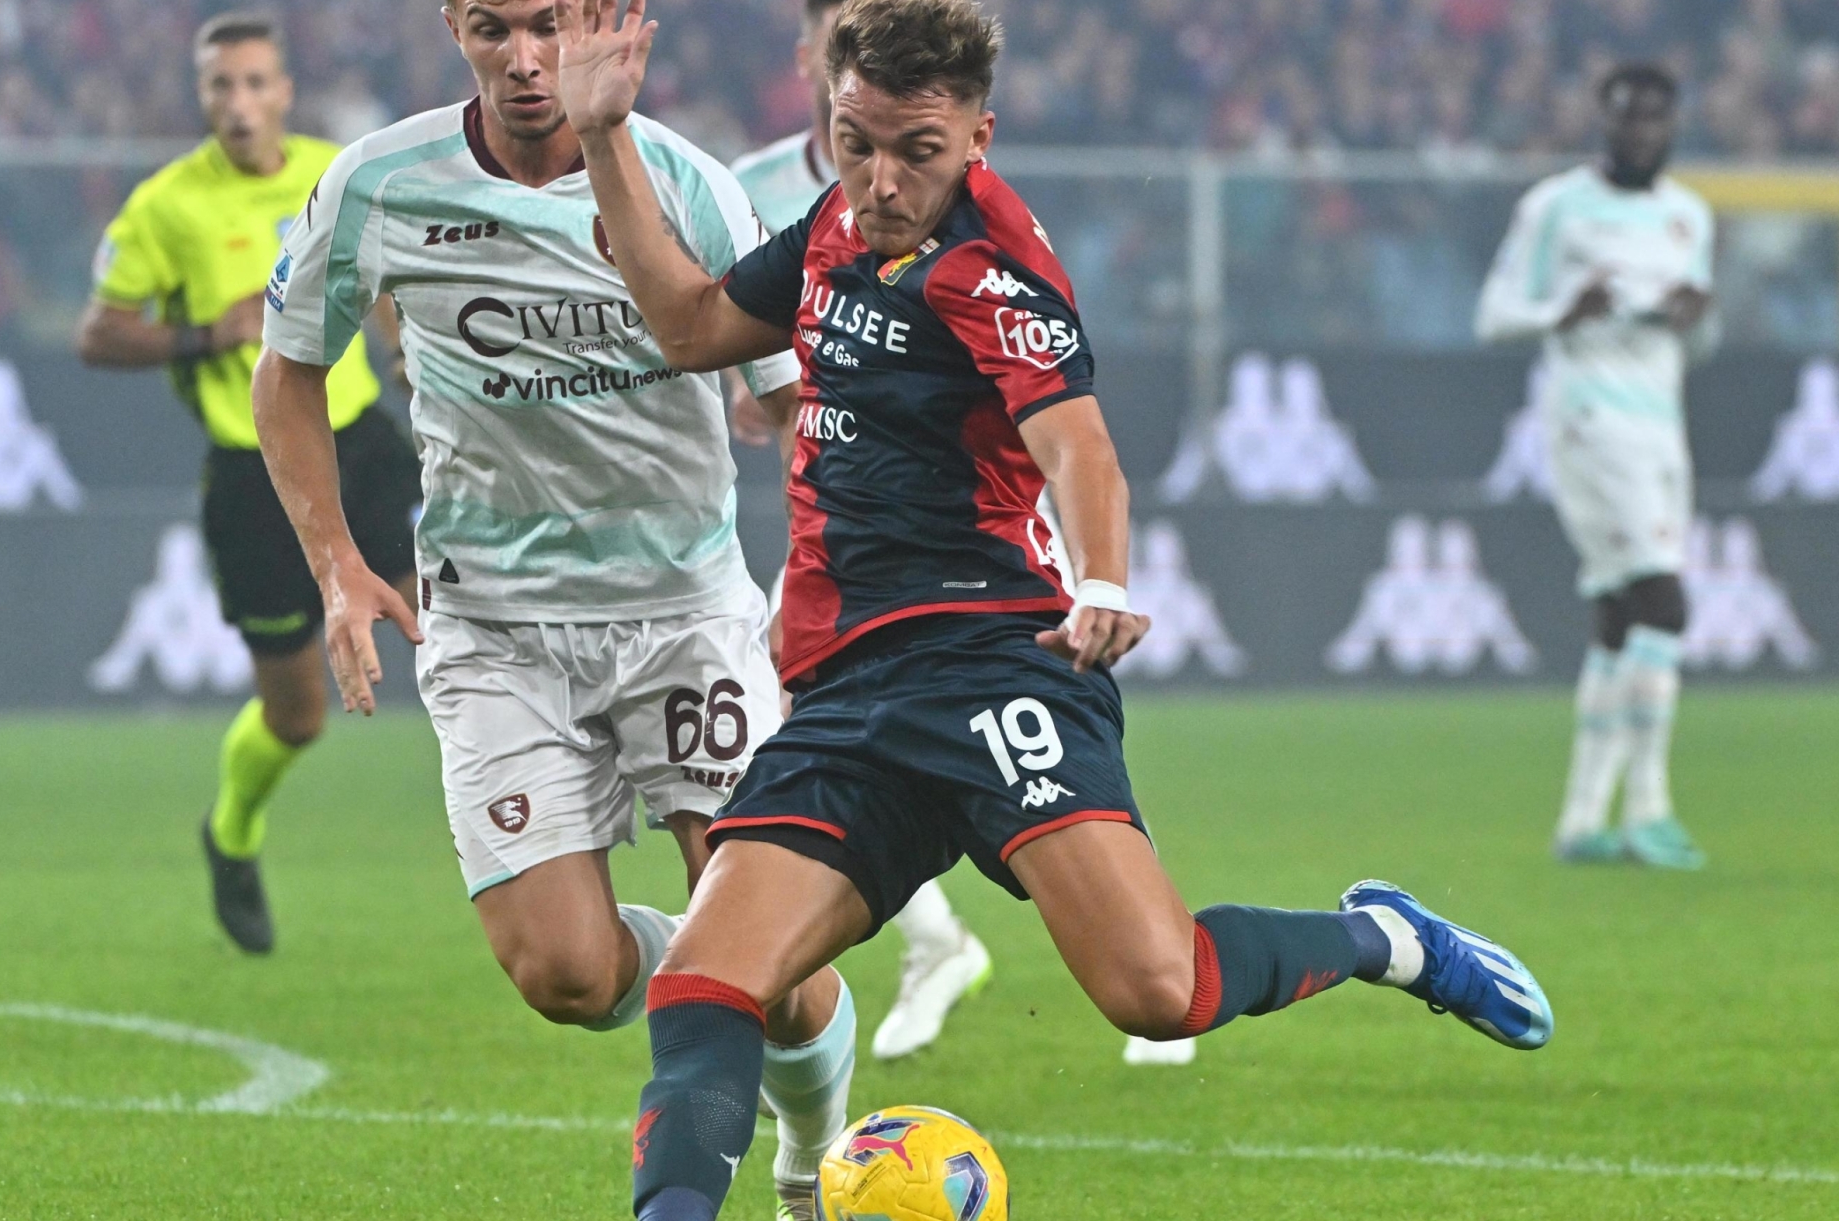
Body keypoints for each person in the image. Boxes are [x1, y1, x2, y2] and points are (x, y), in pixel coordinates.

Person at [555, 1, 1556, 1217]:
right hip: (843, 689)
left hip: (994, 662)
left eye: (916, 151)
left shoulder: (993, 263)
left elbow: (1080, 447)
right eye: (855, 139)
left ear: (979, 133)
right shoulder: (828, 223)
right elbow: (692, 324)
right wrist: (605, 135)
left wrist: (1103, 580)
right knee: (704, 986)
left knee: (1157, 989)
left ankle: (1383, 940)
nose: (879, 180)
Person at [250, 3, 854, 1216]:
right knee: (566, 977)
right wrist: (336, 562)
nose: (524, 62)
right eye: (492, 30)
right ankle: (711, 957)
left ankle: (811, 1161)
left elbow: (798, 401)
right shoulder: (379, 181)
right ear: (452, 27)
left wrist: (839, 579)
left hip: (683, 614)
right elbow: (289, 369)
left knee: (784, 979)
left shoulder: (686, 181)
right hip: (494, 628)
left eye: (545, 28)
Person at [74, 12, 420, 953]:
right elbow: (97, 332)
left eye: (256, 83)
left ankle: (543, 815)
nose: (240, 103)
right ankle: (230, 833)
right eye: (221, 86)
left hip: (363, 444)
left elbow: (382, 277)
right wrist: (204, 334)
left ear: (285, 92)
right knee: (296, 713)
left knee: (458, 617)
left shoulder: (336, 169)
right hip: (253, 472)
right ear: (202, 96)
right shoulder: (167, 205)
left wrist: (401, 354)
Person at [730, 0, 993, 1065]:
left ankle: (1147, 963)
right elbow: (717, 328)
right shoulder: (740, 189)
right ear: (810, 59)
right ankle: (940, 940)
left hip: (949, 522)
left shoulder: (962, 195)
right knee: (810, 727)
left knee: (1000, 741)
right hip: (826, 520)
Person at [1476, 63, 1716, 870]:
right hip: (1587, 417)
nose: (1640, 132)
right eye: (1626, 119)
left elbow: (1700, 336)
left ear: (1672, 124)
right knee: (1664, 598)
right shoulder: (1556, 207)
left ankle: (1583, 819)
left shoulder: (1689, 216)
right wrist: (1558, 311)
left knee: (1620, 614)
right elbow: (1494, 313)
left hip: (1661, 420)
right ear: (1604, 122)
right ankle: (1649, 805)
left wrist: (1694, 317)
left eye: (1654, 119)